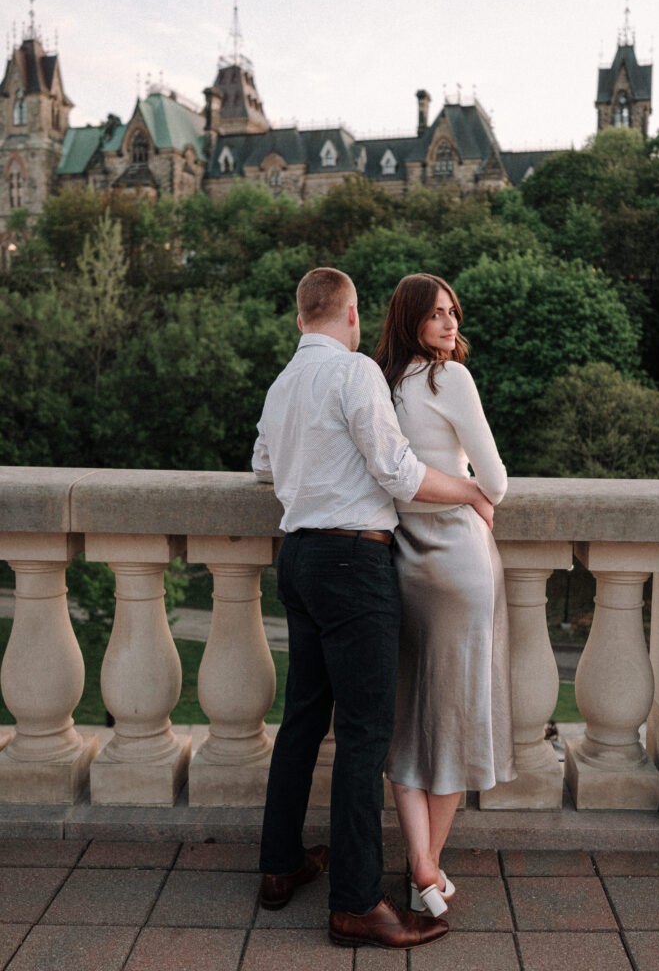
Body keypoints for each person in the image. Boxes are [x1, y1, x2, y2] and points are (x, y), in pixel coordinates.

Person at [251, 267, 494, 950]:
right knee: (363, 733)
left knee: (302, 719)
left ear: (303, 316)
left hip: (297, 558)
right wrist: (471, 494)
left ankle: (278, 867)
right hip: (351, 563)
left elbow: (262, 465)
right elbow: (398, 473)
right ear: (352, 314)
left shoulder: (282, 383)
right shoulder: (355, 373)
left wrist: (314, 469)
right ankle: (356, 904)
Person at [373, 272, 516, 917]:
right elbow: (496, 480)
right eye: (436, 316)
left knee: (409, 718)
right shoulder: (447, 379)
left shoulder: (378, 384)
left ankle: (424, 870)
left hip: (404, 560)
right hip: (458, 562)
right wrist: (478, 495)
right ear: (411, 321)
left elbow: (394, 482)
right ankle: (426, 871)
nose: (450, 325)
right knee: (455, 717)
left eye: (453, 313)